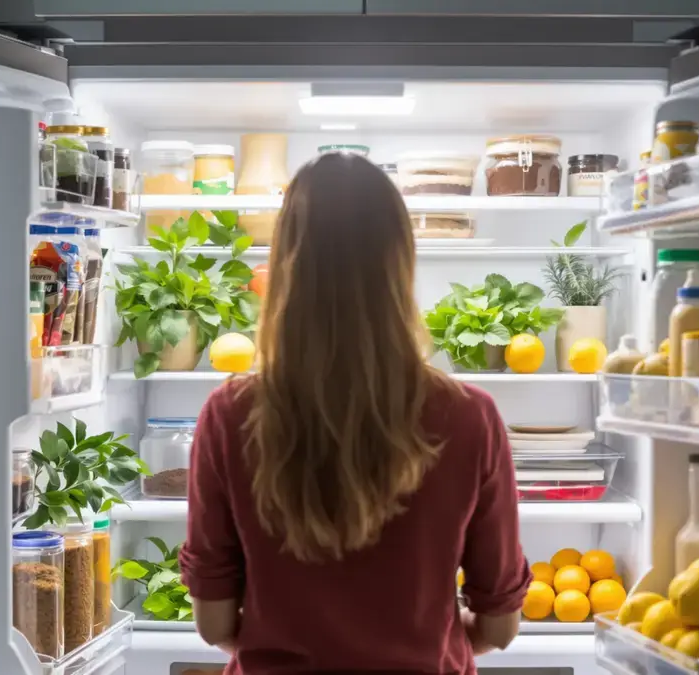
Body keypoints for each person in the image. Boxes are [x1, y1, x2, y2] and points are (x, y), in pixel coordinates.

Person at [179, 153, 529, 674]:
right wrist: (431, 642)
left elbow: (215, 625)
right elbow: (499, 626)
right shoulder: (469, 416)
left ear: (285, 265)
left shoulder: (230, 415)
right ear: (400, 263)